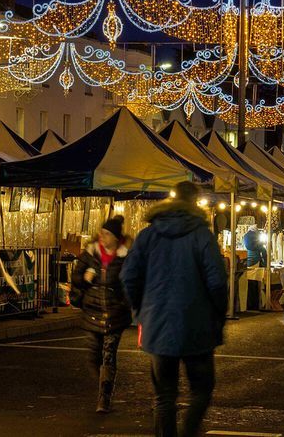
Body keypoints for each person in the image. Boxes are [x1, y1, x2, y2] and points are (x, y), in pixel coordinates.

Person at [121, 181, 228, 437]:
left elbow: (128, 277)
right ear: (195, 202)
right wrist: (218, 315)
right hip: (197, 324)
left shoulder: (148, 235)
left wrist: (141, 309)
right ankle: (189, 432)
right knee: (201, 390)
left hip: (158, 324)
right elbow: (217, 281)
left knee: (164, 396)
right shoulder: (202, 234)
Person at [70, 216, 131, 413]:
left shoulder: (125, 256)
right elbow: (76, 278)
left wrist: (125, 301)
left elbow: (131, 282)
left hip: (115, 314)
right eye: (102, 233)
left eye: (106, 234)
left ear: (115, 237)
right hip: (93, 312)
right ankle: (103, 384)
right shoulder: (90, 253)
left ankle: (104, 397)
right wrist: (86, 277)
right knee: (94, 355)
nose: (102, 237)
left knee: (108, 355)